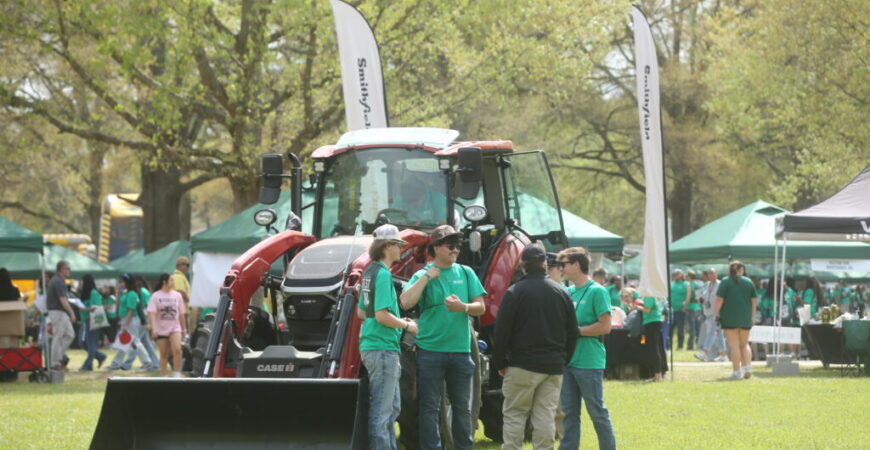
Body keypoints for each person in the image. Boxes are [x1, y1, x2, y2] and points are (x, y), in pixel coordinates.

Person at [399, 225, 486, 450]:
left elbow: (481, 307)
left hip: (460, 351)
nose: (456, 249)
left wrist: (463, 307)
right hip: (430, 352)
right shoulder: (422, 274)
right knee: (429, 406)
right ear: (436, 248)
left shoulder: (466, 272)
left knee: (462, 407)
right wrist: (426, 277)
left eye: (458, 245)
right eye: (450, 245)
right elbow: (406, 302)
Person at [492, 244, 577, 450]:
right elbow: (573, 332)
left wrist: (500, 362)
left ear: (523, 265)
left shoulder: (514, 292)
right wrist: (563, 359)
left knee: (514, 415)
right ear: (545, 265)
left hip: (521, 365)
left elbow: (501, 332)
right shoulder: (562, 293)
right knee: (545, 416)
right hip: (552, 366)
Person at [357, 225, 417, 450]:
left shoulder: (369, 273)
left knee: (391, 409)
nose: (401, 249)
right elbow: (381, 315)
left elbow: (362, 312)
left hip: (374, 347)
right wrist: (407, 325)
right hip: (382, 349)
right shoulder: (381, 275)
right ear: (389, 246)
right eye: (399, 245)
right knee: (383, 414)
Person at [556, 247, 616, 450]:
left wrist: (576, 332)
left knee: (597, 412)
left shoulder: (597, 291)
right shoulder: (567, 292)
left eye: (563, 264)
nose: (560, 268)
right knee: (569, 414)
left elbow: (605, 326)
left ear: (576, 265)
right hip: (568, 362)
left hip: (589, 362)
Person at [714, 261, 757, 380]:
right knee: (744, 344)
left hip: (729, 316)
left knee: (734, 346)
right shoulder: (749, 281)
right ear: (742, 270)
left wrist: (715, 314)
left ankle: (737, 372)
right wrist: (752, 316)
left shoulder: (725, 281)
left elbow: (719, 300)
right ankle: (747, 367)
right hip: (745, 317)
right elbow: (754, 300)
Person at [148, 273, 187, 377]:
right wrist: (154, 328)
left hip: (175, 327)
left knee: (177, 349)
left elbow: (182, 313)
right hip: (161, 328)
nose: (173, 282)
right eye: (171, 280)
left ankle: (177, 373)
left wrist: (184, 329)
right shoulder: (156, 296)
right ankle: (164, 375)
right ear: (164, 282)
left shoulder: (177, 295)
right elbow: (152, 313)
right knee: (164, 354)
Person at [107, 274, 149, 371]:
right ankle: (116, 363)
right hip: (125, 319)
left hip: (130, 320)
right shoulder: (126, 293)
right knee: (124, 342)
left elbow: (131, 310)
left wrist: (126, 325)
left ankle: (146, 362)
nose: (121, 283)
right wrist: (118, 293)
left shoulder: (132, 294)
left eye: (122, 282)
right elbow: (118, 303)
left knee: (134, 342)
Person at [123, 275, 159, 371]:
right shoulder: (140, 291)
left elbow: (147, 308)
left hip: (143, 320)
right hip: (142, 320)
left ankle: (129, 363)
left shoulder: (143, 292)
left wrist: (147, 322)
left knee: (136, 342)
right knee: (145, 343)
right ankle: (155, 363)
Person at [46, 260, 76, 370]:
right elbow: (63, 300)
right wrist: (72, 313)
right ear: (61, 269)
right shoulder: (58, 281)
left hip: (60, 312)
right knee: (58, 337)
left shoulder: (58, 280)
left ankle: (57, 356)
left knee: (70, 335)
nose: (69, 271)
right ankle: (54, 363)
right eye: (67, 268)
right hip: (57, 311)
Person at [77, 274, 107, 371]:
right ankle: (100, 356)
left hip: (92, 321)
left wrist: (83, 309)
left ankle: (88, 365)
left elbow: (96, 308)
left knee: (90, 343)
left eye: (81, 281)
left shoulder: (93, 293)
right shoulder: (85, 293)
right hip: (85, 320)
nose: (80, 283)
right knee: (82, 343)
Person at [633, 294, 666, 382]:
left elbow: (647, 310)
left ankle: (657, 375)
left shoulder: (650, 296)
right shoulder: (655, 296)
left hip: (651, 323)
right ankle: (659, 374)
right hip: (656, 322)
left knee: (653, 350)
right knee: (657, 349)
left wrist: (637, 307)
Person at [669, 269, 692, 351]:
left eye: (677, 274)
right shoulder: (672, 284)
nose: (676, 276)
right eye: (675, 274)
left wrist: (685, 305)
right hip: (671, 310)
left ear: (681, 275)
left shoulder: (686, 284)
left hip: (681, 310)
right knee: (670, 329)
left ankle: (680, 346)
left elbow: (688, 296)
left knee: (680, 329)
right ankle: (669, 346)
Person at [171, 256, 193, 330]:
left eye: (188, 265)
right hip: (181, 309)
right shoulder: (178, 276)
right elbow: (180, 291)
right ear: (180, 265)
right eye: (186, 265)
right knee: (182, 330)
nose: (187, 267)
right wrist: (189, 300)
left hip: (181, 309)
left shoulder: (180, 276)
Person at [685, 270, 703, 350]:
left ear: (689, 277)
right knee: (698, 327)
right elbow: (699, 297)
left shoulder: (689, 285)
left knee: (691, 328)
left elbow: (688, 296)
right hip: (698, 308)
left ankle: (690, 346)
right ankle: (699, 345)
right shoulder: (698, 285)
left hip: (690, 308)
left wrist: (685, 304)